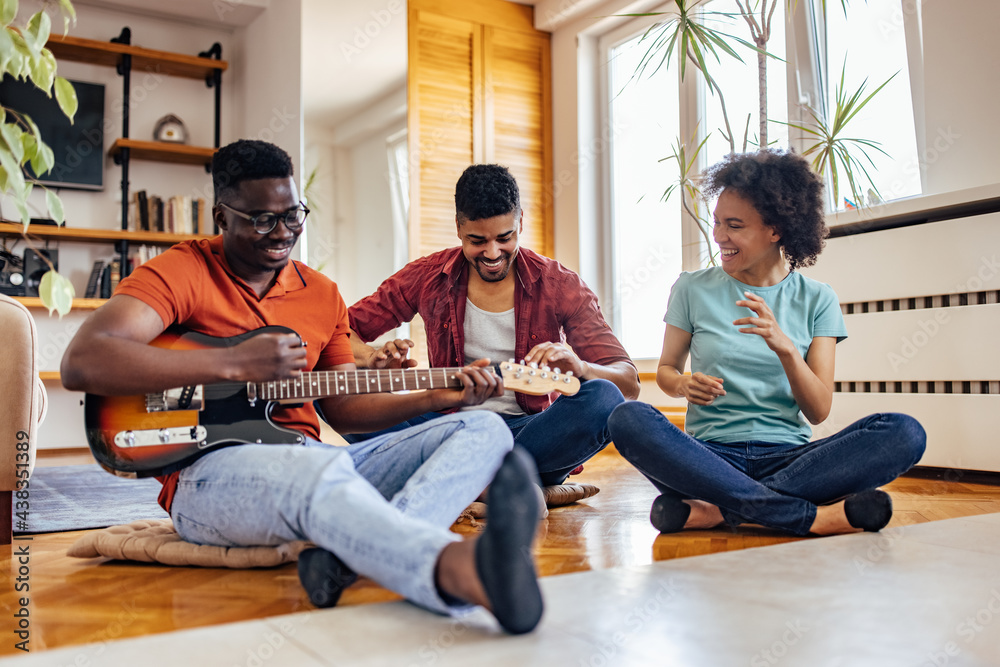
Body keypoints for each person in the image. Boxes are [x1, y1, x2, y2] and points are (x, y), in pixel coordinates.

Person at [60, 139, 544, 635]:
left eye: (293, 215)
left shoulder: (321, 294)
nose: (282, 234)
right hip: (206, 477)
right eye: (261, 220)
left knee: (485, 431)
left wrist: (439, 398)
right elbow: (85, 359)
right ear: (220, 216)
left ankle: (349, 558)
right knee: (315, 473)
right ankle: (458, 571)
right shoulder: (183, 270)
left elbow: (344, 410)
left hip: (319, 461)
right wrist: (232, 362)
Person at [608, 149, 926, 537]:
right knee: (627, 417)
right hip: (708, 458)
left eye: (735, 225)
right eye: (717, 222)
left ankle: (718, 510)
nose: (719, 236)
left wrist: (786, 348)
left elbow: (818, 410)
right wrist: (682, 384)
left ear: (775, 229)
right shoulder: (692, 288)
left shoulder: (817, 298)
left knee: (904, 432)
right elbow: (666, 371)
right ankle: (811, 517)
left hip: (790, 460)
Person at [346, 164, 640, 493]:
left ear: (520, 222)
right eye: (477, 241)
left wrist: (581, 367)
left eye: (505, 238)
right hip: (449, 429)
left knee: (603, 398)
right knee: (332, 388)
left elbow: (628, 382)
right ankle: (510, 483)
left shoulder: (560, 284)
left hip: (528, 433)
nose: (492, 253)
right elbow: (338, 332)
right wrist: (372, 356)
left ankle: (466, 480)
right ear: (459, 227)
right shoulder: (427, 276)